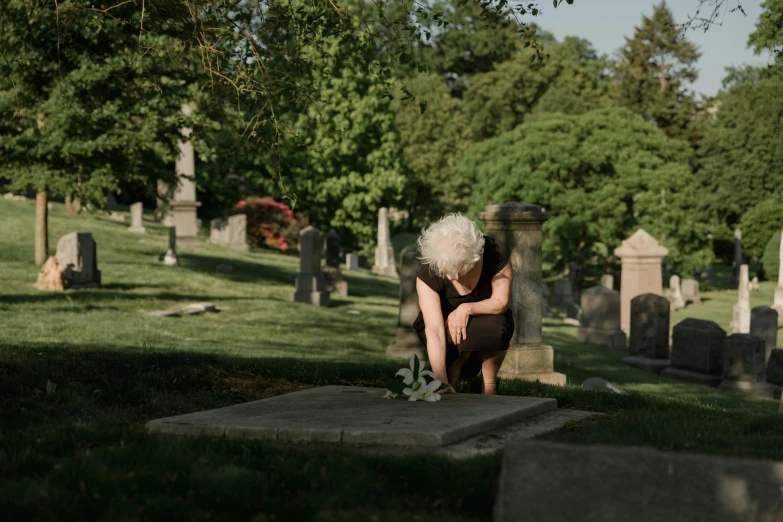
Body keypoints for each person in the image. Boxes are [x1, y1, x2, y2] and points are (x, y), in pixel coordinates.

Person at [412, 213, 514, 395]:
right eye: (445, 270)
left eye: (457, 269)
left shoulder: (495, 252)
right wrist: (439, 381)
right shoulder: (428, 272)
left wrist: (465, 309)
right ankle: (450, 379)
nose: (450, 276)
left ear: (473, 258)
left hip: (485, 319)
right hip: (441, 327)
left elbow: (501, 301)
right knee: (448, 342)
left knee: (498, 327)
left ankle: (489, 384)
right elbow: (434, 329)